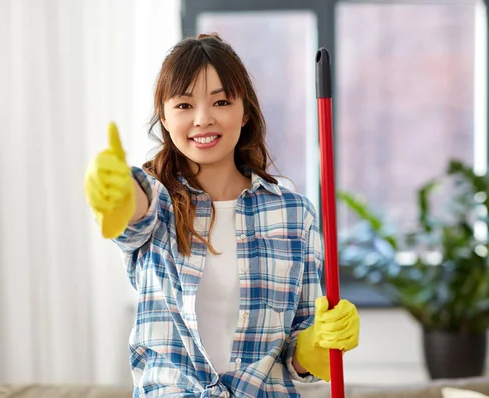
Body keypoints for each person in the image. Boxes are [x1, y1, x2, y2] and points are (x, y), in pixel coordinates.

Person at [84, 33, 359, 397]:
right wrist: (117, 191)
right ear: (163, 117)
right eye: (184, 105)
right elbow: (137, 209)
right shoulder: (158, 202)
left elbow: (298, 355)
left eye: (221, 101)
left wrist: (315, 344)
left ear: (244, 111)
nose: (203, 119)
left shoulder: (294, 215)